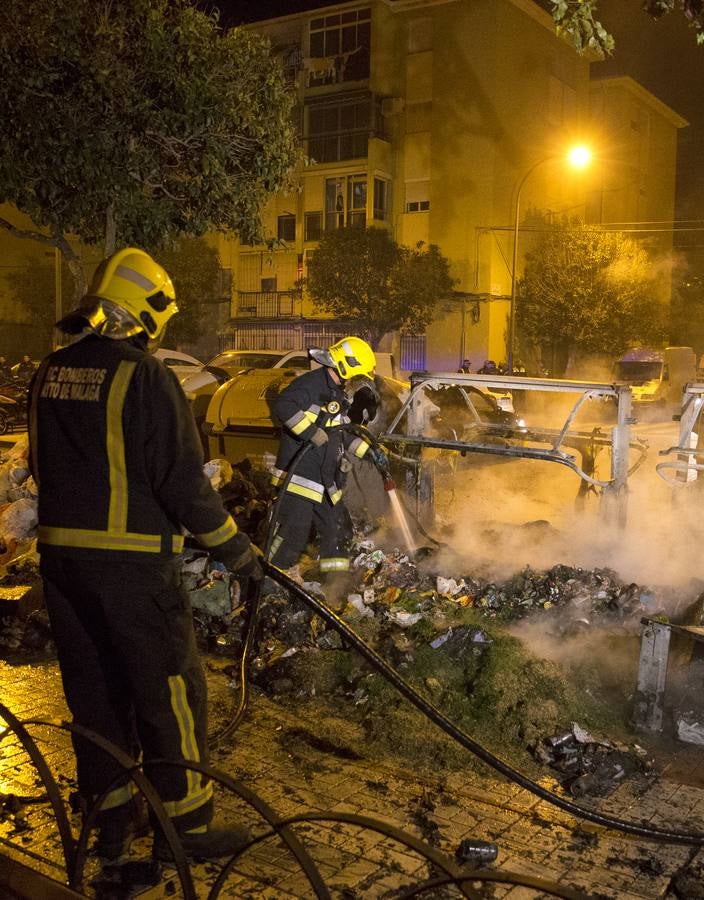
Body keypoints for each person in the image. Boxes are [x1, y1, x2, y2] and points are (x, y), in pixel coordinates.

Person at [27, 247, 262, 863]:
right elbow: (181, 481)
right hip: (130, 568)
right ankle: (185, 830)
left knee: (95, 693)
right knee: (171, 692)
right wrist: (237, 552)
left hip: (62, 567)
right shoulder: (144, 375)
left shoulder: (48, 372)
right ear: (147, 310)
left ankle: (110, 825)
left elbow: (39, 466)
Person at [268, 336, 381, 599]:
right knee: (292, 535)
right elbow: (283, 406)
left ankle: (335, 589)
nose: (360, 380)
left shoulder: (339, 393)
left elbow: (340, 433)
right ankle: (269, 584)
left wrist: (370, 452)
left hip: (326, 480)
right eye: (359, 373)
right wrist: (310, 432)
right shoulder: (311, 384)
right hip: (300, 478)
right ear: (346, 366)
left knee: (337, 531)